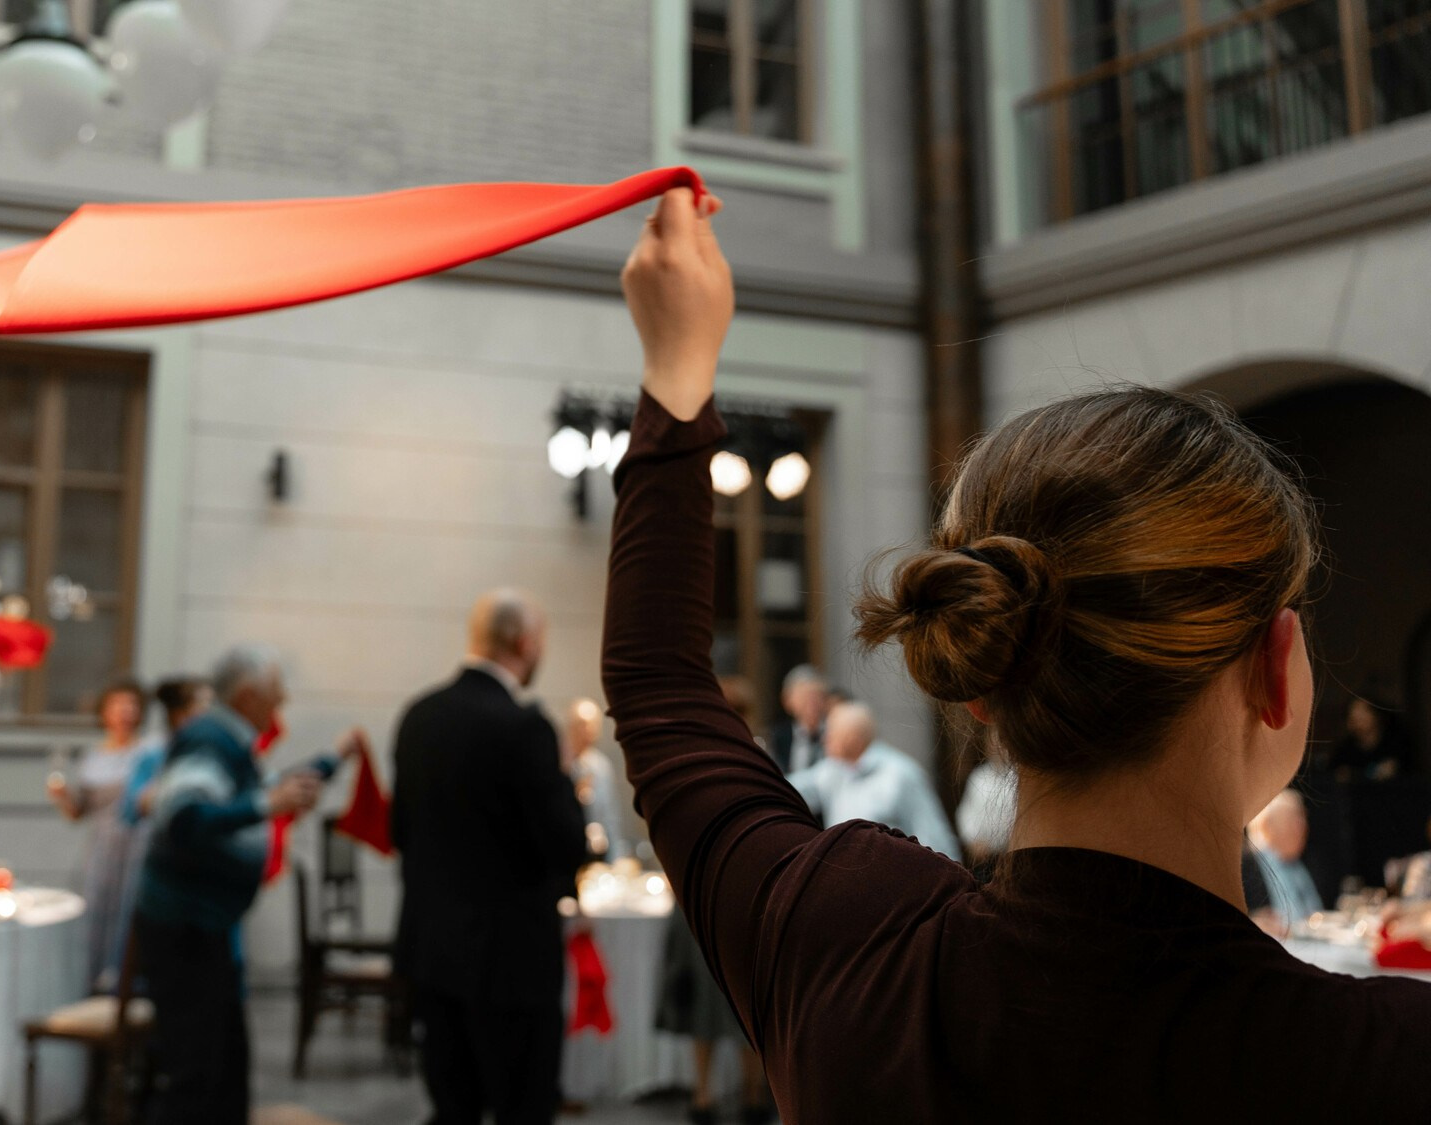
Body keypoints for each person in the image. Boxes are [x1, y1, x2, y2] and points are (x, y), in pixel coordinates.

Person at [603, 184, 1431, 1119]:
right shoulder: (1390, 1062)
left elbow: (659, 693)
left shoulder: (849, 944)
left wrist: (677, 367)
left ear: (986, 679)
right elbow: (661, 694)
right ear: (1276, 672)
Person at [391, 589, 589, 1125]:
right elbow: (568, 844)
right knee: (522, 1108)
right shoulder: (524, 727)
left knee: (452, 1107)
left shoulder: (418, 717)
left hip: (433, 953)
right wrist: (568, 779)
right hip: (511, 964)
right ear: (524, 643)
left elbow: (400, 832)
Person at [134, 645, 349, 1125]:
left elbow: (261, 790)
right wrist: (265, 808)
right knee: (198, 1073)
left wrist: (329, 762)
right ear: (249, 696)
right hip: (185, 928)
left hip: (201, 928)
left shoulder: (225, 740)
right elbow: (183, 818)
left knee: (226, 1069)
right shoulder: (209, 738)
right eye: (276, 691)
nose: (283, 701)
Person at [655, 679, 775, 1125]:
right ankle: (722, 1095)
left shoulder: (742, 761)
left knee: (738, 1003)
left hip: (726, 896)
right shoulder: (698, 759)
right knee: (713, 1003)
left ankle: (742, 1093)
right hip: (711, 895)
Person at [48, 678, 153, 991]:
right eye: (118, 704)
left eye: (131, 705)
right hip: (102, 845)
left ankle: (128, 983)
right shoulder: (93, 756)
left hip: (136, 842)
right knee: (97, 910)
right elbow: (79, 812)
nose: (125, 711)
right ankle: (93, 981)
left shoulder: (148, 753)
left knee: (130, 909)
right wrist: (63, 797)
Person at [786, 703, 960, 860]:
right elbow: (790, 788)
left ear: (853, 738)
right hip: (845, 881)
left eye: (831, 732)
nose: (825, 739)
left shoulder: (900, 774)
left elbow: (934, 837)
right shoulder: (833, 770)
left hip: (894, 884)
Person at [120, 677, 213, 828]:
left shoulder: (211, 750)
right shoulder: (154, 752)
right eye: (204, 707)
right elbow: (129, 811)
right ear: (180, 715)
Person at [1242, 789, 1325, 937]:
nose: (1301, 826)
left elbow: (1315, 914)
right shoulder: (1247, 864)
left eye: (1302, 818)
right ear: (1268, 827)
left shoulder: (1301, 864)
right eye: (1292, 819)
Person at [564, 698, 628, 862]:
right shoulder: (561, 763)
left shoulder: (601, 766)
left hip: (598, 851)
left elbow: (610, 815)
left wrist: (617, 859)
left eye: (593, 725)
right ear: (572, 726)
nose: (588, 731)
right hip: (567, 849)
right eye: (583, 724)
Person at [954, 731, 1018, 871]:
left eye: (1001, 744)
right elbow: (966, 814)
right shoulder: (979, 777)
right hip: (984, 857)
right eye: (992, 744)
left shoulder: (1019, 779)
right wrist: (972, 840)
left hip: (1012, 855)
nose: (997, 748)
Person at [764, 665, 828, 774]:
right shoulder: (778, 737)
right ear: (788, 702)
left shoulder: (833, 734)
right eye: (805, 698)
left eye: (817, 697)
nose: (812, 704)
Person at [1329, 696, 1407, 782]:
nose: (1356, 720)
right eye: (1352, 716)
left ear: (1376, 716)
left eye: (1362, 714)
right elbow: (1335, 772)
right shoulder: (1344, 749)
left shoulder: (1395, 744)